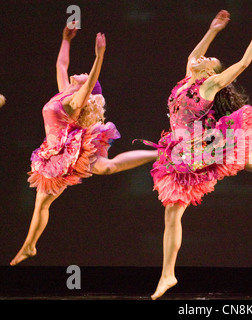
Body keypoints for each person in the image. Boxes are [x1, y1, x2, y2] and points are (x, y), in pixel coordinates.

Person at [139, 7, 252, 299]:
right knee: (172, 212)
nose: (201, 58)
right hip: (181, 154)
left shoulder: (209, 85)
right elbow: (192, 57)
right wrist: (213, 30)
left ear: (212, 72)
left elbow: (242, 64)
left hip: (208, 148)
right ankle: (168, 275)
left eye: (208, 60)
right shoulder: (184, 81)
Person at [10, 24, 157, 266]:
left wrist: (99, 56)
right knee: (42, 202)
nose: (83, 74)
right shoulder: (64, 92)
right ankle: (29, 247)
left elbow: (89, 86)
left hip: (67, 151)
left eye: (87, 77)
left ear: (84, 90)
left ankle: (156, 153)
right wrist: (65, 39)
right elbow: (61, 65)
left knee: (107, 168)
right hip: (55, 151)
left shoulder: (74, 102)